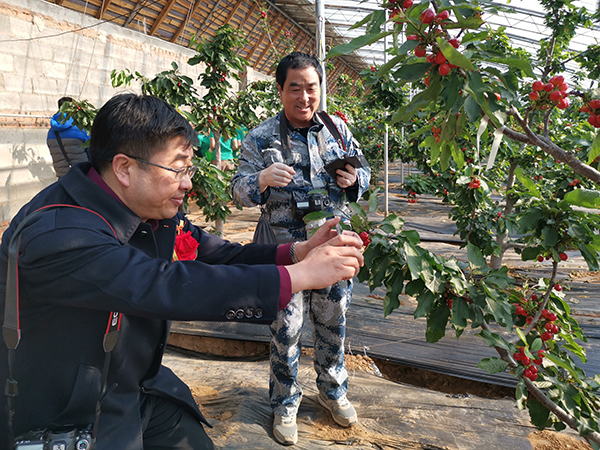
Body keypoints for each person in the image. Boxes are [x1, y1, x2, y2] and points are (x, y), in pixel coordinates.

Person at [0, 93, 364, 450]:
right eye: (178, 168)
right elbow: (161, 285)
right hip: (66, 414)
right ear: (125, 168)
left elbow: (216, 254)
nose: (188, 183)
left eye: (189, 169)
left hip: (134, 385)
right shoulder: (59, 234)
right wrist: (300, 277)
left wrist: (297, 253)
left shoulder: (150, 210)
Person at [231, 52, 371, 445]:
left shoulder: (338, 129)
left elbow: (365, 172)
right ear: (281, 90)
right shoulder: (261, 137)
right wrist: (259, 179)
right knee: (286, 328)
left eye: (312, 88)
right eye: (296, 88)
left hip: (331, 245)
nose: (305, 97)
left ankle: (333, 391)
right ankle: (286, 401)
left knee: (333, 322)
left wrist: (353, 179)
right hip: (284, 250)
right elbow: (237, 190)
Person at [46, 96, 91, 178]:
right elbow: (91, 151)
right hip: (82, 175)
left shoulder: (51, 132)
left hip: (63, 177)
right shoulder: (80, 128)